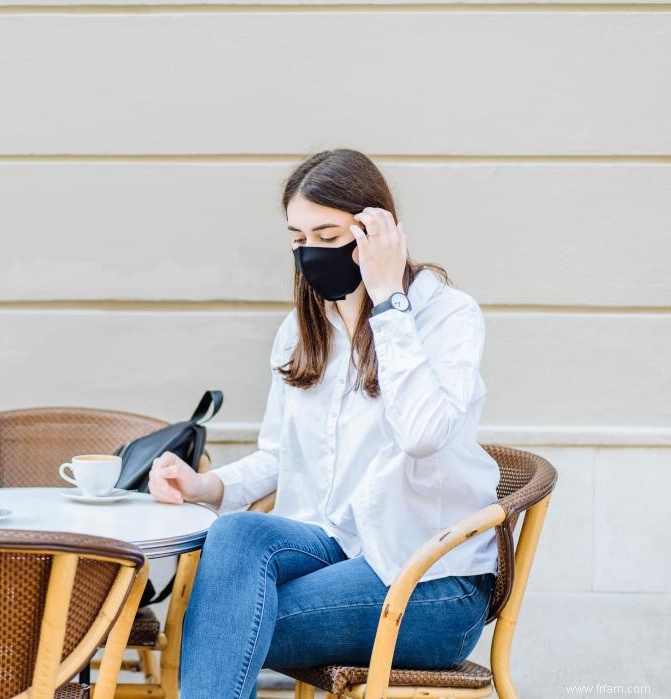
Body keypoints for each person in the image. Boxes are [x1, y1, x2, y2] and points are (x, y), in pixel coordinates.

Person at [147, 148, 500, 699]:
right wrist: (206, 486)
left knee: (224, 617)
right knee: (235, 533)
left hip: (429, 584)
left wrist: (388, 301)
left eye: (329, 236)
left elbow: (421, 435)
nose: (311, 252)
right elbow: (278, 456)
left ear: (377, 232)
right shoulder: (302, 329)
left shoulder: (447, 316)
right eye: (297, 238)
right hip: (336, 548)